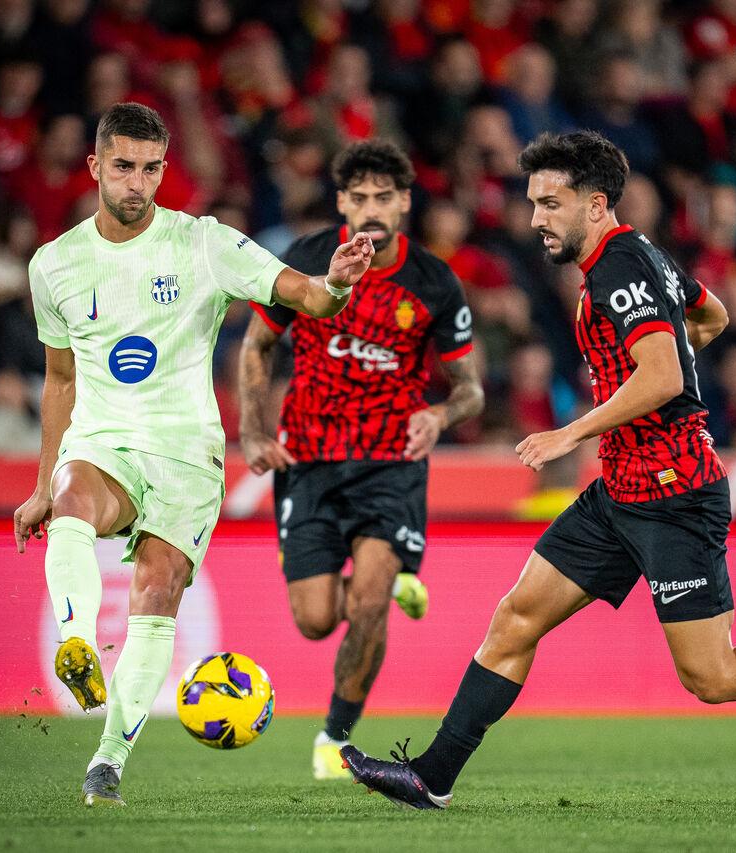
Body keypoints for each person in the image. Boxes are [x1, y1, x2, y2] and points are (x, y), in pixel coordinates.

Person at [340, 131, 736, 810]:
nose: (536, 218)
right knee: (515, 619)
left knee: (715, 677)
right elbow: (710, 315)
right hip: (621, 488)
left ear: (595, 204)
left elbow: (662, 376)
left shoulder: (619, 267)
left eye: (551, 203)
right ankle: (433, 775)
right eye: (534, 202)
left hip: (674, 492)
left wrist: (572, 430)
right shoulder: (639, 254)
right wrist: (665, 362)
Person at [11, 102, 374, 807]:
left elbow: (305, 297)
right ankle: (76, 641)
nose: (137, 183)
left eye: (151, 169)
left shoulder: (204, 243)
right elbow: (60, 380)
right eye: (123, 167)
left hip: (185, 453)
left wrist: (335, 282)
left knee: (157, 592)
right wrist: (40, 483)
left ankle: (108, 761)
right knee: (72, 496)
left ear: (163, 170)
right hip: (104, 437)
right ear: (94, 166)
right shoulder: (53, 265)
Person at [237, 139, 484, 781]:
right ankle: (394, 579)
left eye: (384, 197)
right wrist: (252, 432)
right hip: (309, 457)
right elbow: (257, 345)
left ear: (404, 203)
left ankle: (335, 736)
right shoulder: (307, 260)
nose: (371, 209)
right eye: (359, 197)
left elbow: (471, 389)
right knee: (316, 619)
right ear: (342, 203)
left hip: (390, 463)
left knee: (369, 601)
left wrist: (440, 415)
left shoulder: (433, 281)